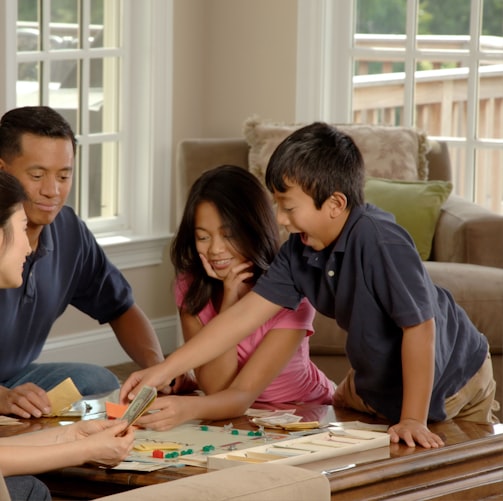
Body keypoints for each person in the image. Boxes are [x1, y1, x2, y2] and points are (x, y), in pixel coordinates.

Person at [121, 122, 499, 448]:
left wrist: (414, 418)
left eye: (288, 207)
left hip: (450, 376)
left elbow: (420, 327)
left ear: (334, 203)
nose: (281, 220)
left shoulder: (380, 240)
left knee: (440, 466)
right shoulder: (297, 253)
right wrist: (163, 370)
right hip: (376, 382)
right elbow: (238, 321)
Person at [132, 165, 334, 431]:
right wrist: (229, 299)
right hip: (236, 416)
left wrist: (185, 408)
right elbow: (216, 387)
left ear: (254, 228)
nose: (215, 249)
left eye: (228, 236)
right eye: (203, 237)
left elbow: (240, 394)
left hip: (304, 411)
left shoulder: (291, 292)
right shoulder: (190, 287)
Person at [0, 105, 165, 420]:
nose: (53, 191)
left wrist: (157, 370)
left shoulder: (68, 230)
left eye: (64, 175)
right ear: (2, 169)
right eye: (37, 176)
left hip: (16, 376)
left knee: (98, 381)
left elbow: (120, 306)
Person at [0, 169, 135, 501]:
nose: (30, 249)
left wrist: (75, 435)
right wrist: (83, 451)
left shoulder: (71, 233)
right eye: (21, 229)